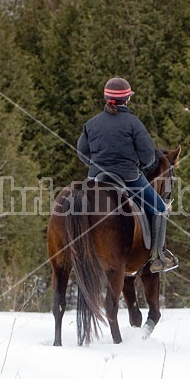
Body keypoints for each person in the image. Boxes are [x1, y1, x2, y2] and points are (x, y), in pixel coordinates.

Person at [77, 77, 177, 273]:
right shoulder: (133, 123)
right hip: (128, 177)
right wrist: (138, 166)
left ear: (107, 98)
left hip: (96, 179)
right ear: (127, 100)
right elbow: (149, 156)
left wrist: (97, 165)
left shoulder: (92, 123)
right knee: (160, 208)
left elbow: (81, 152)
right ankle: (157, 258)